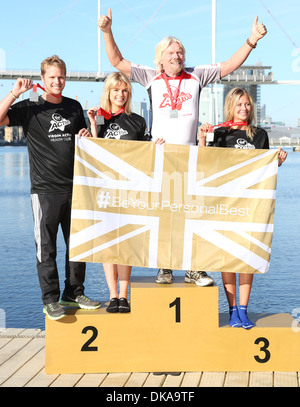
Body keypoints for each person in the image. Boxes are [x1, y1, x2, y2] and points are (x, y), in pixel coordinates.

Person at [97, 8, 268, 286]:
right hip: (160, 156)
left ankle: (194, 268)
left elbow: (228, 66)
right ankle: (165, 267)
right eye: (171, 53)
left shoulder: (196, 75)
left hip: (191, 156)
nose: (176, 57)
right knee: (165, 213)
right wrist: (107, 31)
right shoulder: (150, 76)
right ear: (161, 57)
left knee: (194, 214)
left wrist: (251, 40)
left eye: (180, 52)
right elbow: (116, 60)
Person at [0, 55, 101, 321]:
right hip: (45, 191)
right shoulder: (29, 107)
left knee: (78, 245)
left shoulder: (74, 107)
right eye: (52, 77)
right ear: (43, 80)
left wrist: (87, 134)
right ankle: (51, 299)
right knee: (47, 248)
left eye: (61, 76)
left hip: (76, 187)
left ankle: (74, 293)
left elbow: (84, 142)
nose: (57, 81)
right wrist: (13, 93)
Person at [198, 87, 287, 329]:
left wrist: (276, 162)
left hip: (250, 204)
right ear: (230, 107)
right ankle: (232, 310)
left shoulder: (260, 135)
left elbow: (264, 172)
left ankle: (244, 310)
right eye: (239, 105)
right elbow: (206, 164)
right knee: (228, 258)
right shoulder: (221, 132)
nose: (244, 109)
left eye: (247, 104)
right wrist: (202, 139)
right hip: (225, 204)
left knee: (246, 258)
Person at [87, 72, 164, 313]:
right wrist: (91, 127)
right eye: (116, 90)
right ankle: (112, 295)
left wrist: (155, 148)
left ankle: (124, 294)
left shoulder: (138, 121)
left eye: (125, 91)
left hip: (130, 190)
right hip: (105, 190)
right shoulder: (97, 118)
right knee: (109, 244)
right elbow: (93, 153)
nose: (120, 95)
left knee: (126, 244)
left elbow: (145, 157)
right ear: (108, 92)